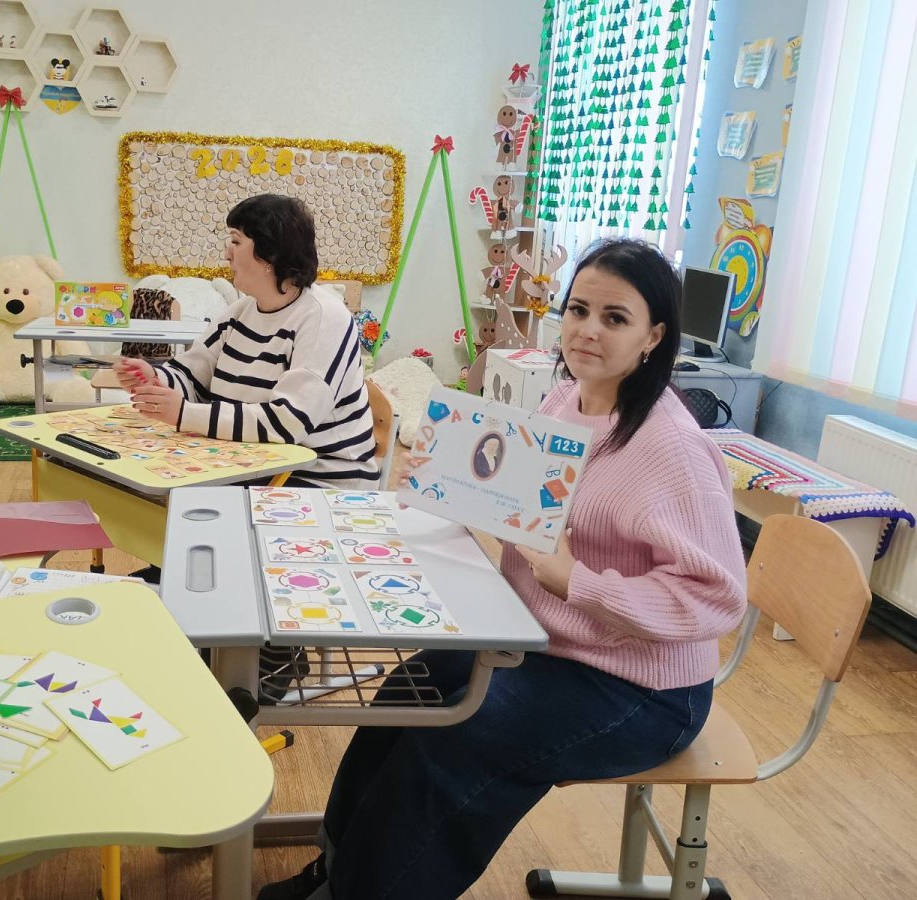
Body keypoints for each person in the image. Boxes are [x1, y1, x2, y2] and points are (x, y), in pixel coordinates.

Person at [258, 238, 748, 900]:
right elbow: (523, 504)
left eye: (615, 318)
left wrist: (579, 582)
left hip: (641, 688)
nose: (587, 330)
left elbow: (717, 599)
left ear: (653, 336)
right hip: (545, 641)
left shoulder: (674, 450)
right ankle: (337, 864)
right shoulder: (564, 402)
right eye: (579, 310)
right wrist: (443, 474)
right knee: (408, 692)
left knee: (458, 742)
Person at [112, 193, 379, 490]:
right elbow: (192, 375)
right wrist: (155, 379)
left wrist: (186, 415)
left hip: (318, 477)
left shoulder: (324, 318)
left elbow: (288, 422)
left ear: (270, 255)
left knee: (172, 492)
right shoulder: (240, 311)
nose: (227, 253)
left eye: (236, 241)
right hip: (250, 462)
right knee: (128, 472)